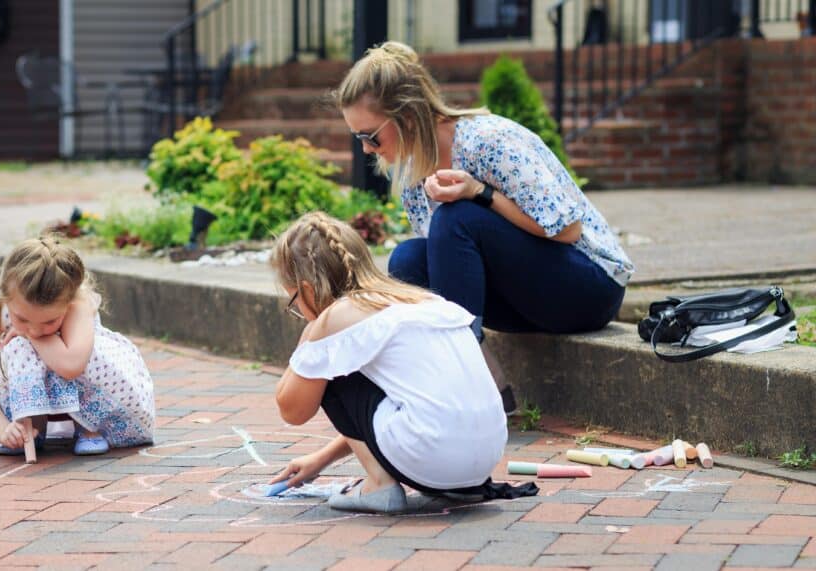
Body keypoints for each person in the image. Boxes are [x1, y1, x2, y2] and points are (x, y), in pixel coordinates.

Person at [332, 42, 634, 397]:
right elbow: (450, 268)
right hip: (525, 301)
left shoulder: (488, 141)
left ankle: (473, 383)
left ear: (408, 117)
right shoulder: (414, 176)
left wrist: (480, 192)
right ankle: (484, 381)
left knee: (455, 217)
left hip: (590, 287)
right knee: (407, 260)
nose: (366, 148)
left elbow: (568, 231)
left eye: (370, 136)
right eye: (358, 139)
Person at [268, 212, 536, 514]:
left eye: (295, 302)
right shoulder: (420, 300)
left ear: (307, 289)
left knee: (329, 363)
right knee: (340, 363)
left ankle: (379, 486)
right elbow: (419, 406)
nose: (299, 312)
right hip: (481, 462)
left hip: (429, 455)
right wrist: (322, 458)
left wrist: (310, 336)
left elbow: (292, 410)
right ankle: (452, 486)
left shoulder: (337, 317)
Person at [0, 237, 154, 458]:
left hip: (79, 374)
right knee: (17, 349)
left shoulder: (76, 303)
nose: (35, 329)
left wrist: (29, 335)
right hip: (31, 381)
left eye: (49, 321)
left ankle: (89, 429)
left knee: (56, 350)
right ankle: (30, 428)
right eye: (23, 319)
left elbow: (72, 365)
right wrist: (1, 428)